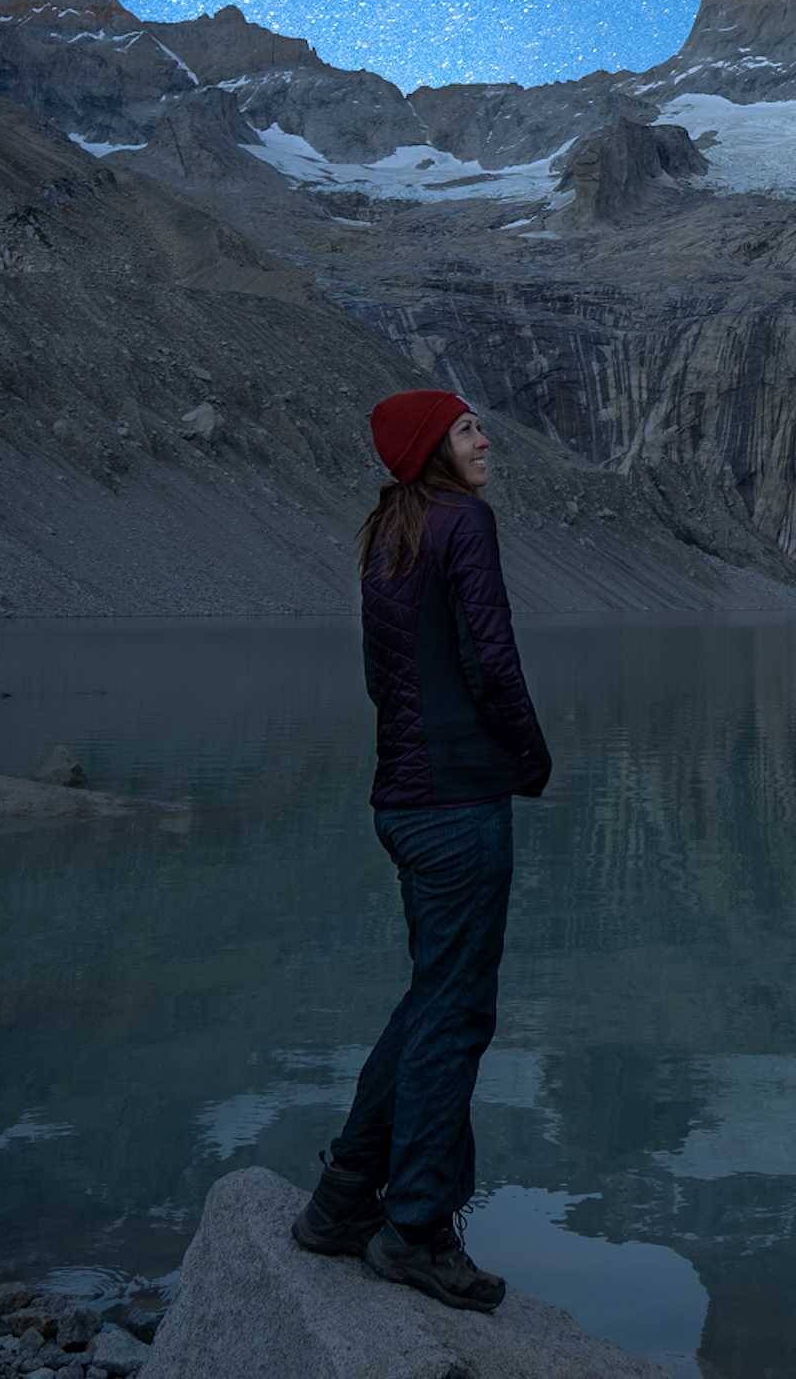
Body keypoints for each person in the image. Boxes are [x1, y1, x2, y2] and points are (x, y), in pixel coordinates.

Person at [291, 388, 552, 1312]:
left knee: (430, 998)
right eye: (470, 427)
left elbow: (381, 676)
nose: (486, 438)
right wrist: (529, 753)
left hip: (403, 799)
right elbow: (492, 657)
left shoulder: (387, 532)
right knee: (458, 1016)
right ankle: (417, 1232)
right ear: (434, 447)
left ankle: (338, 1202)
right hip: (458, 801)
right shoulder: (462, 523)